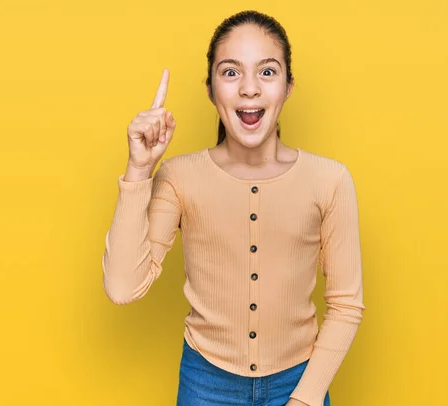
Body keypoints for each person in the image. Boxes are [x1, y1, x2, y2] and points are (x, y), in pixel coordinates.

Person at [102, 10, 366, 406]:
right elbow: (122, 287)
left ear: (289, 85)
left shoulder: (330, 180)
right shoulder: (178, 176)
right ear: (210, 89)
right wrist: (140, 169)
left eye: (267, 72)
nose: (248, 89)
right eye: (230, 72)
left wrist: (306, 399)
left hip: (300, 383)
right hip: (204, 384)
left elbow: (346, 305)